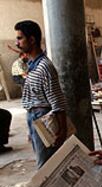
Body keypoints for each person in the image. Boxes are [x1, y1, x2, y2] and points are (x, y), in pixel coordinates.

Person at [14, 20, 67, 168]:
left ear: (32, 40)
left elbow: (57, 101)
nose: (17, 43)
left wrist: (62, 130)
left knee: (45, 166)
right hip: (33, 116)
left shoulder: (45, 67)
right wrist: (30, 128)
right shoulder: (31, 65)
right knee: (43, 160)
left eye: (20, 38)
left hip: (43, 116)